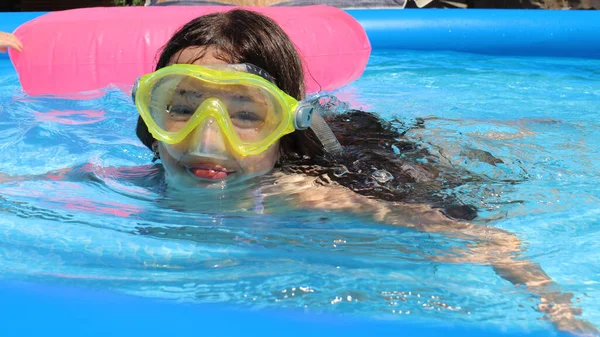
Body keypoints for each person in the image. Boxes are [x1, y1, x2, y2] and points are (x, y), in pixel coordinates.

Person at [1, 9, 597, 336]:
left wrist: (555, 305)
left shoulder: (307, 199)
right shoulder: (128, 176)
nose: (208, 141)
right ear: (148, 115)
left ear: (285, 126)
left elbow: (481, 238)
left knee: (433, 161)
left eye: (246, 115)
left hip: (366, 159)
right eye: (179, 108)